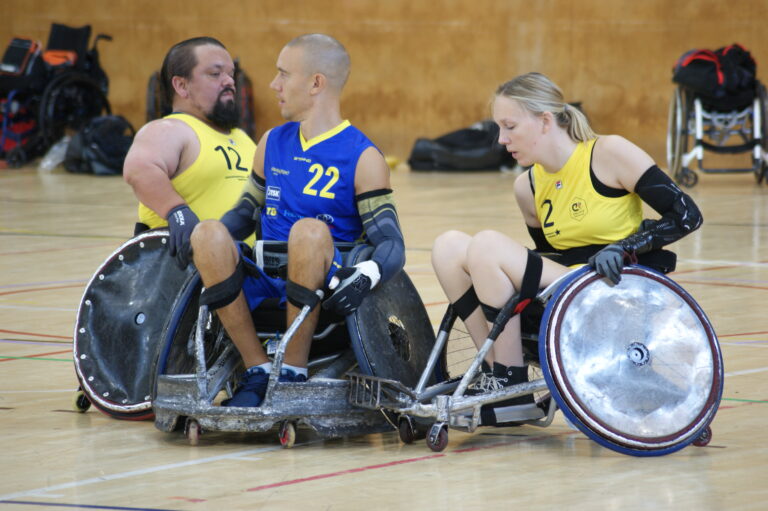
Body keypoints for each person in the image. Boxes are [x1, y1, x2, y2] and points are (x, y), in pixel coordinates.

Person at [431, 72, 702, 426]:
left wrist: (625, 247)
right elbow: (545, 259)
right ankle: (493, 368)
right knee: (448, 246)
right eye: (499, 128)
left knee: (486, 244)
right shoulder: (526, 186)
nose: (501, 139)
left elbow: (687, 215)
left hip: (615, 290)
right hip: (566, 290)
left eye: (510, 126)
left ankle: (511, 378)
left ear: (545, 121)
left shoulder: (608, 153)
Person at [189, 33, 406, 407]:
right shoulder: (271, 142)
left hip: (325, 286)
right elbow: (243, 214)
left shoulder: (363, 156)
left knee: (307, 231)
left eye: (283, 75)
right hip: (265, 277)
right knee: (208, 231)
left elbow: (391, 243)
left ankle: (292, 371)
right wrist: (207, 245)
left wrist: (366, 275)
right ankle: (256, 370)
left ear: (316, 83)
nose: (274, 85)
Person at [123, 36, 257, 268]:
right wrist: (177, 212)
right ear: (181, 85)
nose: (229, 82)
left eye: (230, 73)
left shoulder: (243, 138)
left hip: (252, 268)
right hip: (195, 275)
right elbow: (140, 169)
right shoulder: (171, 129)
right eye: (215, 74)